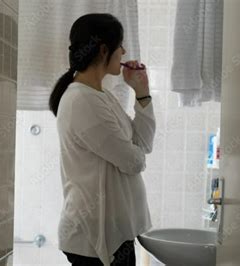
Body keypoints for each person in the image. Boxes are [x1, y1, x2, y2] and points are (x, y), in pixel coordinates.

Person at [49, 13, 156, 266]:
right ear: (103, 49)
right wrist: (134, 155)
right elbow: (133, 162)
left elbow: (143, 145)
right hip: (93, 239)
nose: (124, 50)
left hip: (114, 234)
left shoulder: (101, 96)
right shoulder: (82, 101)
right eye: (120, 44)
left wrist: (142, 93)